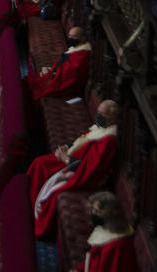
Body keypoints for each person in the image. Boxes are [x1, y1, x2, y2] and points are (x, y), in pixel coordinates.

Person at [28, 100, 119, 238]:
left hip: (77, 171)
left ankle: (37, 224)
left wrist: (65, 158)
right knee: (39, 163)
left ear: (112, 118)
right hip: (70, 158)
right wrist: (67, 146)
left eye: (102, 114)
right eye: (98, 112)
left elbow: (89, 169)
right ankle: (28, 203)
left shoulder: (108, 141)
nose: (98, 116)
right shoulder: (100, 125)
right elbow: (82, 139)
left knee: (53, 193)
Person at [25, 27, 92, 101]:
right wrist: (51, 69)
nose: (70, 38)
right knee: (28, 83)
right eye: (69, 36)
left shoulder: (83, 55)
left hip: (60, 83)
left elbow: (70, 73)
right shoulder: (76, 48)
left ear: (82, 38)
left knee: (32, 91)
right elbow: (64, 65)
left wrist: (52, 73)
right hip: (54, 75)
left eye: (74, 37)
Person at [77, 191, 136, 272]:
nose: (93, 214)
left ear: (110, 215)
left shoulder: (116, 244)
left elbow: (108, 267)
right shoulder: (105, 227)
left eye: (98, 212)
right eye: (93, 210)